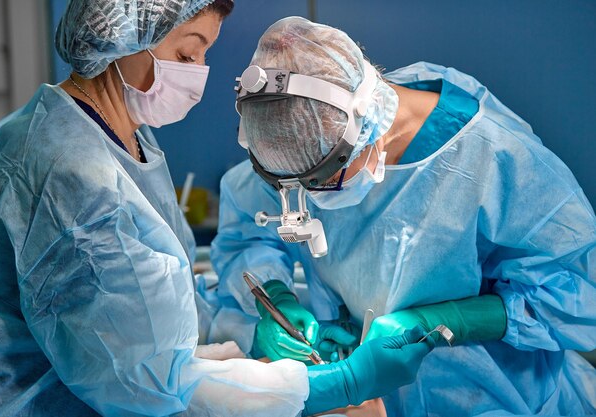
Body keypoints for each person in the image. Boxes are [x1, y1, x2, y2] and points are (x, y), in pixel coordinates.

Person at [0, 3, 435, 416]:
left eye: (205, 54)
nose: (198, 72)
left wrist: (252, 332)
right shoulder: (76, 181)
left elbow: (154, 314)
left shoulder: (109, 133)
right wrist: (341, 383)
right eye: (188, 54)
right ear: (124, 38)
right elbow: (147, 385)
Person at [211, 16, 596, 416]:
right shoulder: (300, 136)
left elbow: (577, 292)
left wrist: (446, 323)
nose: (307, 197)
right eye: (292, 186)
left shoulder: (496, 159)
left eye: (321, 180)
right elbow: (248, 233)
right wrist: (277, 298)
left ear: (363, 131)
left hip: (498, 398)